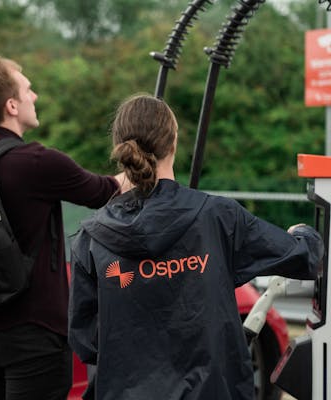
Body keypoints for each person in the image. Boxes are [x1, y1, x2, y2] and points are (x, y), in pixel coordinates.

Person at [68, 94, 324, 400]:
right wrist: (303, 232)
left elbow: (85, 341)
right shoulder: (216, 217)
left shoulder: (91, 236)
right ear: (173, 142)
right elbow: (305, 258)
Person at [0, 54, 129, 400]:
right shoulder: (36, 162)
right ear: (12, 105)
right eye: (28, 90)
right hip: (34, 333)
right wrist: (147, 159)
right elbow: (106, 191)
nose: (36, 97)